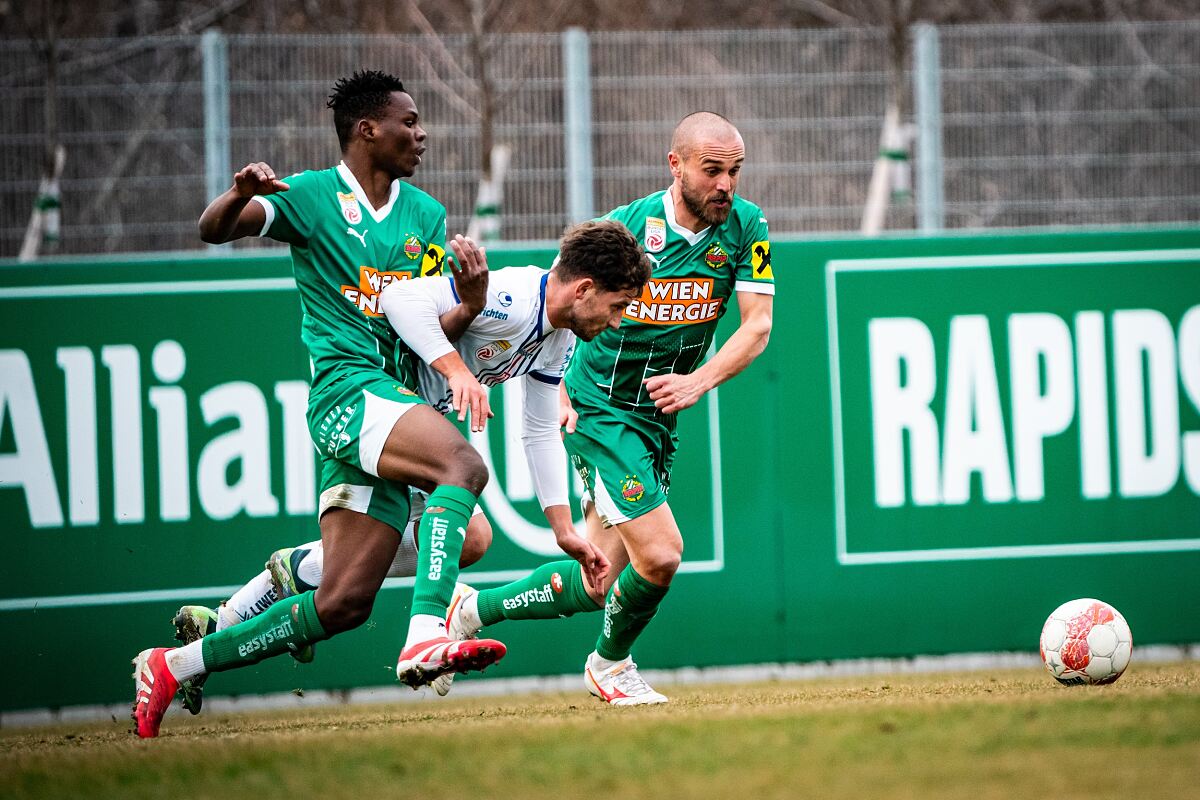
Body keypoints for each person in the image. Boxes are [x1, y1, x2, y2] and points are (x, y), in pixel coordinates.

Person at [132, 70, 508, 738]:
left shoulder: (424, 215)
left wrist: (470, 305)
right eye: (409, 122)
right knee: (464, 467)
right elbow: (213, 230)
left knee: (342, 605)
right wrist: (237, 194)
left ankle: (176, 664)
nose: (421, 135)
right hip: (348, 393)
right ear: (368, 130)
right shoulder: (312, 195)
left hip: (394, 401)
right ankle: (427, 633)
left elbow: (423, 331)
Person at [170, 219, 651, 711]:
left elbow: (540, 428)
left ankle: (232, 621)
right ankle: (423, 630)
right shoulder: (513, 296)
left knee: (383, 578)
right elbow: (399, 301)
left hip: (414, 423)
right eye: (618, 307)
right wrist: (458, 371)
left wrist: (564, 529)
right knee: (458, 484)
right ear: (585, 289)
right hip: (377, 406)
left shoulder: (559, 337)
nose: (617, 322)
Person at [446, 111, 775, 705]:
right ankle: (611, 663)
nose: (726, 185)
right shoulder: (624, 229)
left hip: (656, 423)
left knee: (597, 580)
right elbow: (563, 303)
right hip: (600, 411)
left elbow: (758, 326)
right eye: (712, 171)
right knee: (663, 552)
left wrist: (698, 381)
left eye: (734, 171)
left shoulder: (748, 227)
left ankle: (471, 610)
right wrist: (561, 392)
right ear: (675, 166)